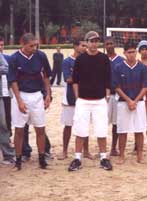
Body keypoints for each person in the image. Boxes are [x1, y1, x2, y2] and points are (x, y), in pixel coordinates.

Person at [68, 31, 112, 171]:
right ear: (86, 42)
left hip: (99, 101)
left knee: (101, 130)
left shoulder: (104, 58)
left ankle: (104, 158)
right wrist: (77, 97)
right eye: (91, 41)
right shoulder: (80, 60)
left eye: (96, 41)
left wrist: (107, 95)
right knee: (80, 130)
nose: (94, 44)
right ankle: (77, 158)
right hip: (83, 101)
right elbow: (75, 80)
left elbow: (108, 79)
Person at [8, 33, 52, 170]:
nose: (34, 48)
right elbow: (13, 81)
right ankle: (18, 161)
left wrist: (48, 95)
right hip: (21, 94)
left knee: (40, 128)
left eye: (35, 45)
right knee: (19, 130)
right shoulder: (14, 58)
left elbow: (46, 77)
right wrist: (19, 100)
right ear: (23, 44)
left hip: (37, 95)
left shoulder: (41, 56)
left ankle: (41, 159)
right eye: (31, 46)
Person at [112, 41, 147, 164]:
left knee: (139, 129)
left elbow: (146, 86)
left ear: (136, 52)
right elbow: (116, 87)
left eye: (133, 51)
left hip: (138, 102)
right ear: (124, 53)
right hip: (123, 102)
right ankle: (122, 155)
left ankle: (140, 155)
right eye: (129, 52)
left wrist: (135, 100)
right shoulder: (118, 67)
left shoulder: (142, 67)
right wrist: (129, 100)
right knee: (122, 130)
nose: (131, 54)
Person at [58, 38, 93, 160]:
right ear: (75, 46)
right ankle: (64, 151)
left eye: (85, 45)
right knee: (68, 125)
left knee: (84, 125)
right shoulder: (67, 61)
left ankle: (86, 151)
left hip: (85, 96)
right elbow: (68, 79)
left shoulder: (88, 60)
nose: (85, 47)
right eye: (83, 45)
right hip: (70, 97)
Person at [104, 36, 124, 156]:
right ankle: (102, 149)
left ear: (115, 44)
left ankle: (113, 148)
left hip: (117, 95)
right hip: (103, 96)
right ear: (104, 46)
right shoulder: (101, 59)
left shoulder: (121, 60)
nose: (109, 46)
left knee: (116, 123)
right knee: (102, 122)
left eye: (111, 43)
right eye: (107, 44)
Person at [0, 36, 15, 164]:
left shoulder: (5, 58)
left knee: (4, 123)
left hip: (4, 94)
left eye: (2, 45)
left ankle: (8, 154)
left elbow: (7, 69)